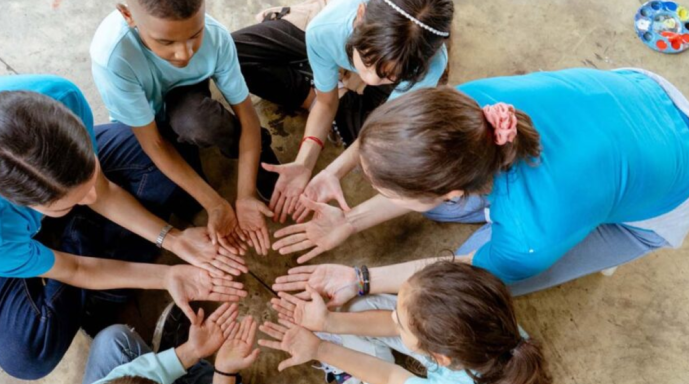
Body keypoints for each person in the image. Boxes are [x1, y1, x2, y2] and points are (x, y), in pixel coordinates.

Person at [0, 74, 247, 380]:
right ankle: (72, 244)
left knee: (167, 158)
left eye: (87, 178)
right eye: (70, 202)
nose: (92, 196)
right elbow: (73, 268)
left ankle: (80, 236)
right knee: (26, 354)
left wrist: (172, 239)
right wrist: (166, 275)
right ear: (26, 206)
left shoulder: (61, 96)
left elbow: (101, 190)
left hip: (45, 181)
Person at [272, 68, 689, 295]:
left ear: (456, 189)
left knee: (469, 287)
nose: (373, 193)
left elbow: (471, 269)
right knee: (450, 217)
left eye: (385, 191)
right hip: (642, 96)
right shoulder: (466, 110)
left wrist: (361, 279)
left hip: (668, 195)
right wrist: (350, 220)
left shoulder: (533, 232)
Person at [90, 0, 278, 256]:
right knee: (184, 204)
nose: (184, 53)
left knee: (200, 122)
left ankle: (258, 159)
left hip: (186, 100)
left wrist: (244, 194)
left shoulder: (216, 39)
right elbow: (153, 143)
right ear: (128, 15)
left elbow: (247, 116)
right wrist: (215, 203)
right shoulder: (113, 57)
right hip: (140, 123)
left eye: (195, 33)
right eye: (166, 42)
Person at [233, 0, 454, 223]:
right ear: (360, 16)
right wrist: (304, 161)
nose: (369, 79)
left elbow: (381, 130)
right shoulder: (327, 28)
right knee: (233, 57)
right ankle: (319, 87)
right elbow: (327, 103)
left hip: (352, 54)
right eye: (367, 60)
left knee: (383, 153)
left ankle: (331, 81)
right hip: (330, 32)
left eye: (389, 76)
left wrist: (332, 172)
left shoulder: (429, 67)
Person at [263, 261, 551, 384]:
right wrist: (327, 323)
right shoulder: (494, 322)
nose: (392, 318)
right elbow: (394, 324)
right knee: (362, 306)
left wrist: (320, 348)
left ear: (439, 356)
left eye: (399, 323)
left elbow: (389, 374)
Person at [43, 303, 276, 384]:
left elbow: (119, 383)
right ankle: (207, 383)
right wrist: (225, 374)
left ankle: (192, 372)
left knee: (112, 342)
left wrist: (190, 351)